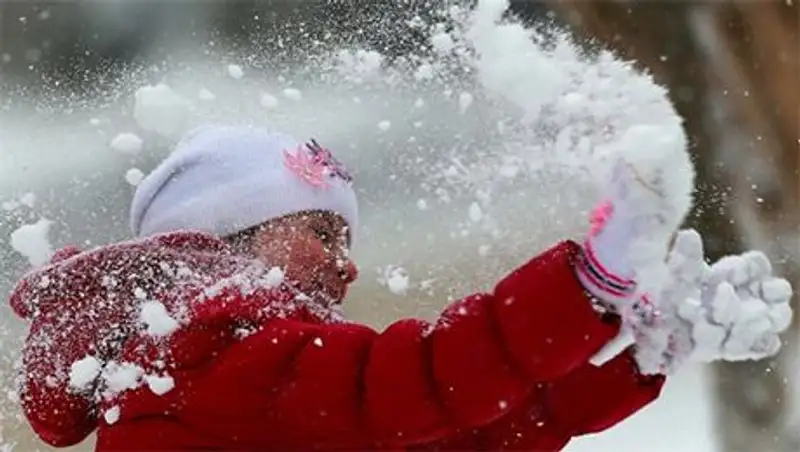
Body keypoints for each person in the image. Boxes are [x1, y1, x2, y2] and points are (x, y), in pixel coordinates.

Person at [9, 125, 792, 451]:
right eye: (322, 232)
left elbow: (475, 431)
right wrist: (588, 284)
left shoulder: (223, 362)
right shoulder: (216, 349)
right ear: (224, 238)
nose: (347, 266)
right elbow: (433, 374)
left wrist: (641, 355)